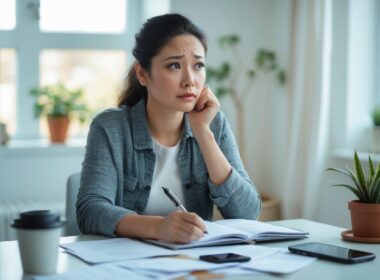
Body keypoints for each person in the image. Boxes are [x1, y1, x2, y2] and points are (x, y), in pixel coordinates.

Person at [76, 13, 261, 244]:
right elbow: (90, 211)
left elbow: (248, 213)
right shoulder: (111, 127)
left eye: (198, 65)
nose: (190, 80)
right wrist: (159, 227)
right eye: (174, 65)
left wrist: (203, 131)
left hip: (194, 265)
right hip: (126, 264)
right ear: (143, 74)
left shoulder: (214, 123)